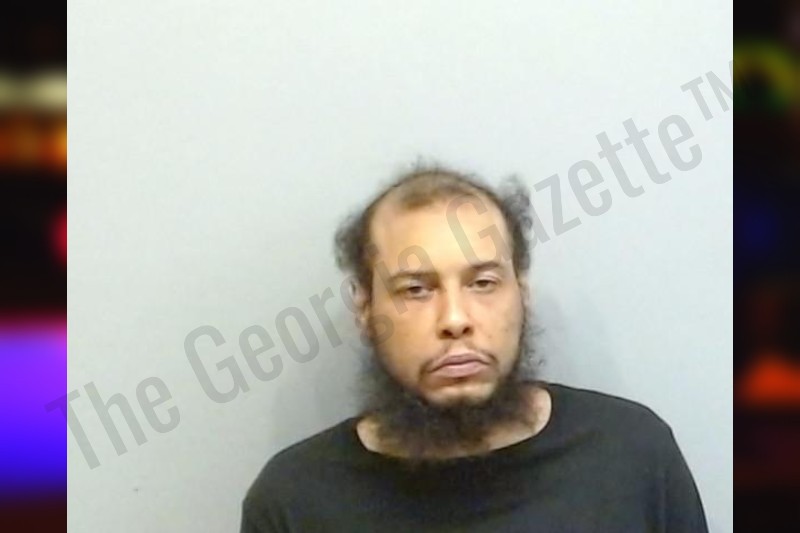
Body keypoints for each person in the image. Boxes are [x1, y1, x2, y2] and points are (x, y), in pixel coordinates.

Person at [240, 165, 709, 532]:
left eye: (483, 282)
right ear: (365, 310)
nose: (455, 319)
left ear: (521, 294)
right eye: (416, 289)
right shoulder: (294, 502)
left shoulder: (632, 455)